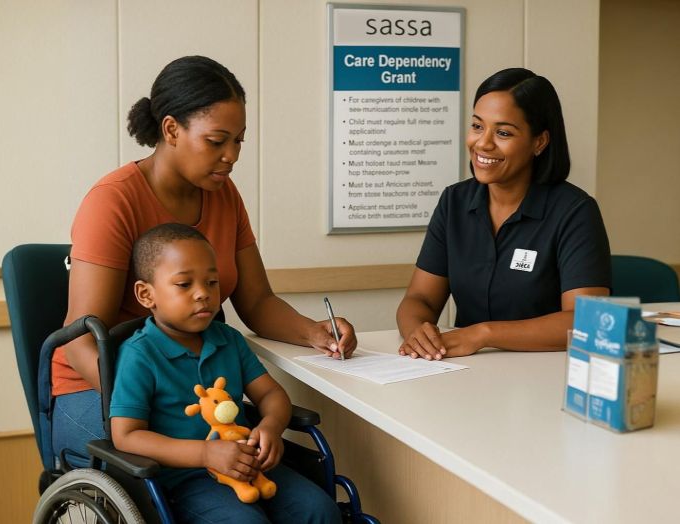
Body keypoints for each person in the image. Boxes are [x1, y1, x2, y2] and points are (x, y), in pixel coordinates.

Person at [52, 55, 356, 465]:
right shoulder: (113, 201)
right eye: (217, 141)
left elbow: (258, 303)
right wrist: (153, 400)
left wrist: (316, 333)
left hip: (194, 389)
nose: (232, 155)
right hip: (99, 392)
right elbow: (80, 340)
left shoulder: (225, 195)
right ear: (172, 130)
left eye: (239, 141)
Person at [110, 223, 341, 524]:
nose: (202, 294)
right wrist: (206, 454)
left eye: (212, 282)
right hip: (184, 480)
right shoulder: (139, 355)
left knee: (320, 511)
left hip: (250, 463)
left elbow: (270, 393)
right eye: (184, 285)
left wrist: (271, 427)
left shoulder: (229, 340)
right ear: (146, 294)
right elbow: (126, 435)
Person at [396, 68, 611, 359]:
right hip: (465, 372)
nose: (483, 143)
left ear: (540, 142)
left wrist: (483, 333)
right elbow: (419, 298)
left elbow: (586, 322)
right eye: (477, 126)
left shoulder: (575, 211)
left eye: (503, 132)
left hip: (545, 375)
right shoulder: (454, 202)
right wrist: (417, 333)